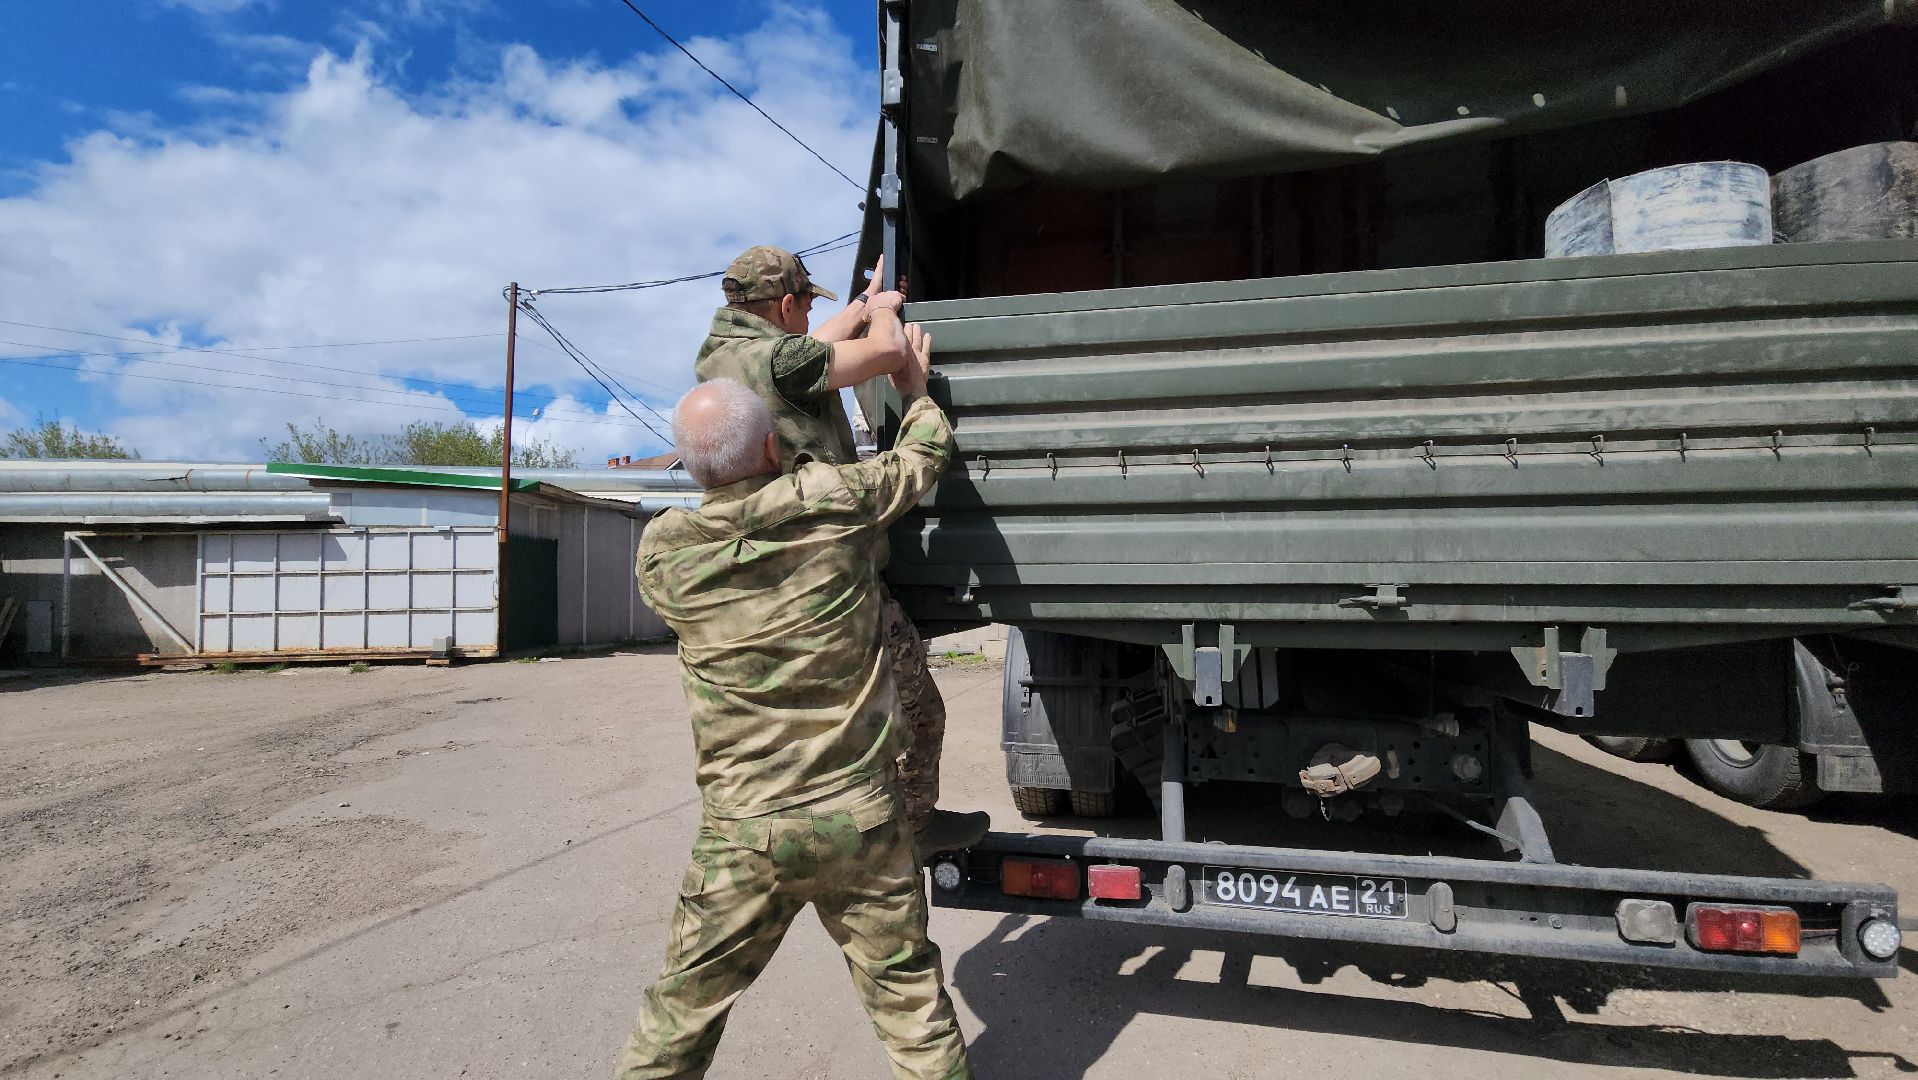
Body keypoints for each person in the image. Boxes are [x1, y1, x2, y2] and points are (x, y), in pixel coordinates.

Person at [616, 331, 972, 1079]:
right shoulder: (831, 504)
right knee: (911, 1004)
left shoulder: (663, 555)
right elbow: (921, 458)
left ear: (692, 470)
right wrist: (913, 386)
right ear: (775, 450)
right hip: (862, 820)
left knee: (677, 1019)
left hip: (743, 835)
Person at [693, 244, 986, 858]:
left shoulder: (725, 358)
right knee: (917, 709)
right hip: (830, 562)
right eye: (802, 306)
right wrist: (884, 315)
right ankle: (911, 832)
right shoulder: (781, 358)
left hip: (771, 575)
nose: (806, 317)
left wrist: (857, 306)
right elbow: (883, 353)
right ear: (783, 303)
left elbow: (807, 352)